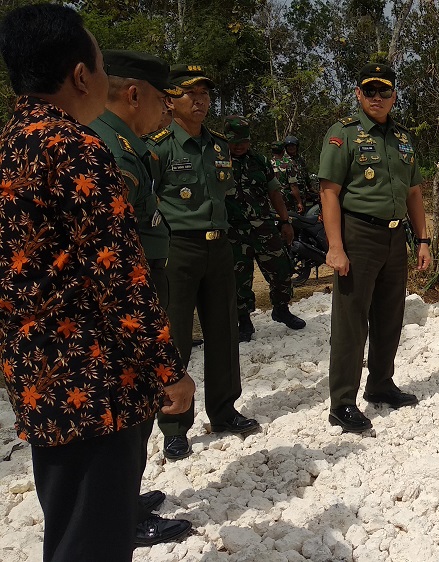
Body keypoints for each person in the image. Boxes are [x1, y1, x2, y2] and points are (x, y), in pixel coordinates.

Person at [0, 5, 195, 561]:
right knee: (94, 544)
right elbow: (120, 280)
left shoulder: (12, 144)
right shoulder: (75, 151)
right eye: (103, 65)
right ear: (81, 75)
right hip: (94, 387)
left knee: (69, 529)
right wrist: (169, 372)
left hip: (41, 380)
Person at [88, 49, 194, 547]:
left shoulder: (126, 144)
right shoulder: (106, 147)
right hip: (128, 289)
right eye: (162, 100)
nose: (168, 112)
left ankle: (124, 498)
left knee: (135, 401)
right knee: (128, 397)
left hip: (143, 277)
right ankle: (118, 517)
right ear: (134, 95)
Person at [147, 64, 260, 460]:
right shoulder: (158, 146)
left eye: (205, 94)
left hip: (218, 247)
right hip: (179, 249)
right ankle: (176, 426)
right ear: (170, 99)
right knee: (176, 338)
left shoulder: (219, 146)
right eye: (190, 94)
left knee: (224, 332)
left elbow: (223, 194)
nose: (200, 101)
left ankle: (225, 410)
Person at [318, 62, 432, 433]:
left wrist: (423, 239)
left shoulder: (402, 139)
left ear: (395, 96)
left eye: (384, 92)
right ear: (358, 94)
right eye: (370, 91)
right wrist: (335, 246)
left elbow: (414, 191)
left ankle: (381, 384)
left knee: (389, 317)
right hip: (359, 236)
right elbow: (329, 193)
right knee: (351, 322)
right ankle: (343, 403)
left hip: (395, 237)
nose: (377, 98)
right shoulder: (343, 135)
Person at [223, 115, 306, 342]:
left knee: (282, 269)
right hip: (233, 230)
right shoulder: (217, 160)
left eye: (244, 141)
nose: (239, 145)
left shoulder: (259, 161)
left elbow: (274, 192)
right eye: (234, 141)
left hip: (264, 227)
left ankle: (282, 310)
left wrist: (285, 221)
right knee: (239, 278)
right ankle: (244, 321)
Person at [270, 140, 305, 214]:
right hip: (286, 201)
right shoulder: (289, 164)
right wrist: (299, 202)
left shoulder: (268, 164)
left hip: (272, 200)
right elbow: (293, 185)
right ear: (283, 150)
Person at [284, 135, 317, 210]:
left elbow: (305, 175)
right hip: (291, 197)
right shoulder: (285, 161)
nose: (291, 148)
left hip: (302, 195)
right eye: (288, 146)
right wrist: (299, 201)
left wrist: (311, 188)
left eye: (293, 145)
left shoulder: (300, 159)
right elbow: (292, 185)